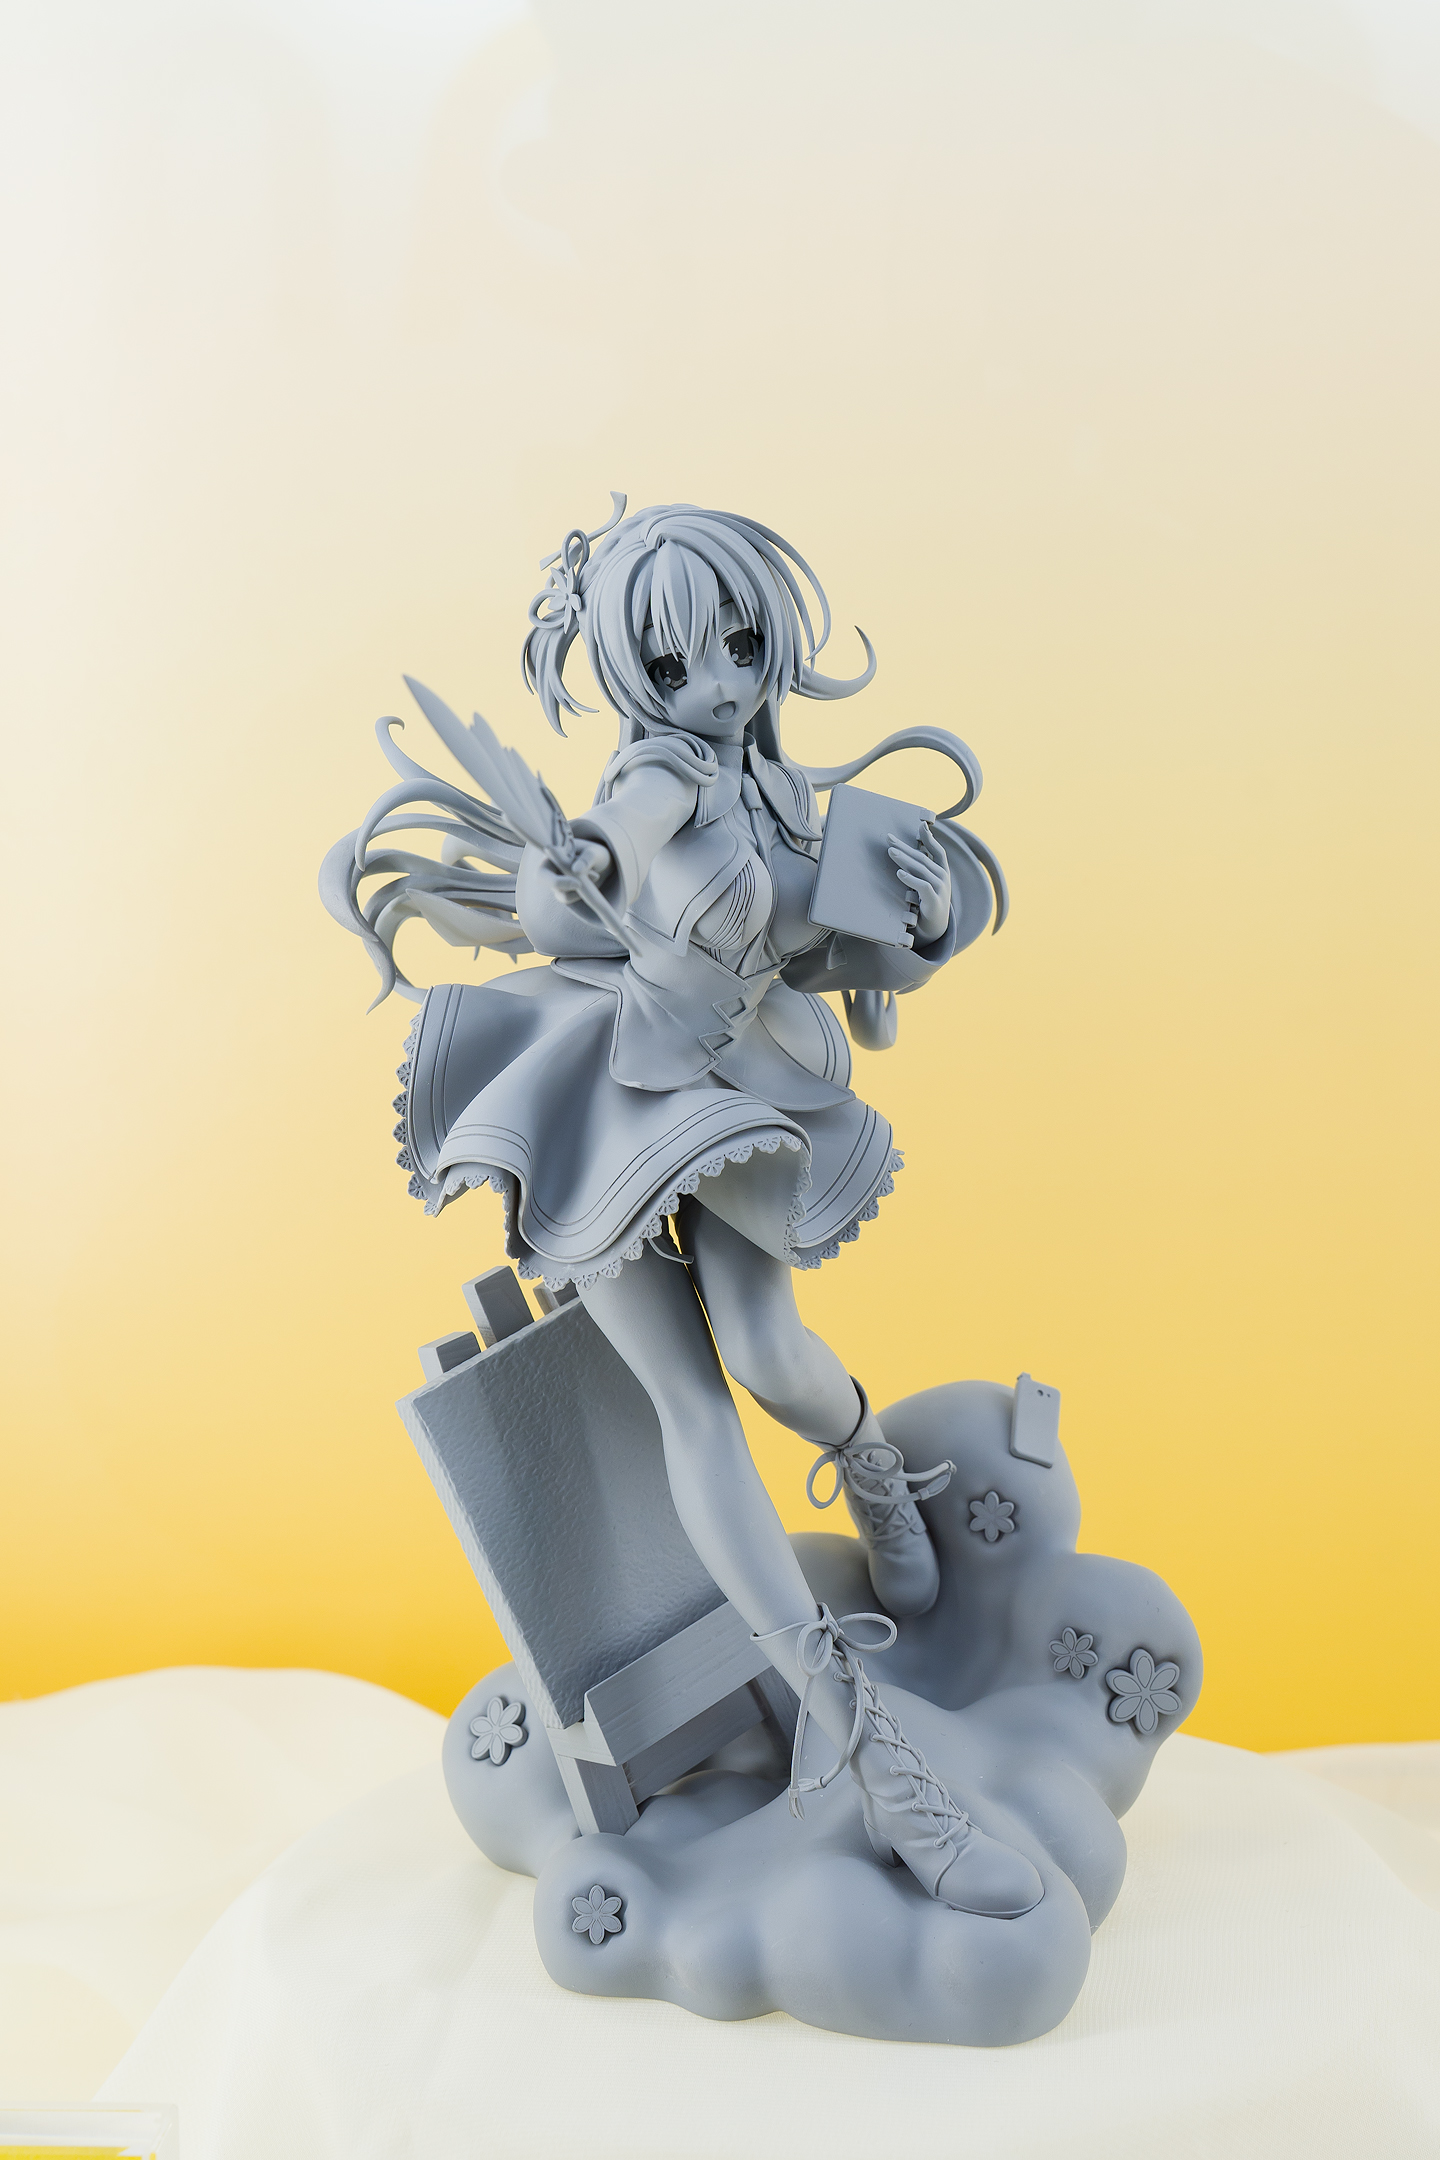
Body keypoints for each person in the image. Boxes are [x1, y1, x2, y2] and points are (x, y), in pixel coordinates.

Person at [322, 496, 1043, 1919]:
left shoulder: (780, 789)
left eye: (738, 644)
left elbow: (836, 955)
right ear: (627, 674)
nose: (716, 680)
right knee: (691, 1410)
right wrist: (569, 881)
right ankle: (869, 1750)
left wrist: (921, 925)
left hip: (736, 1087)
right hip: (608, 1096)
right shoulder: (656, 776)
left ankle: (870, 1462)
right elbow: (592, 869)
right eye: (673, 662)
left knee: (771, 1358)